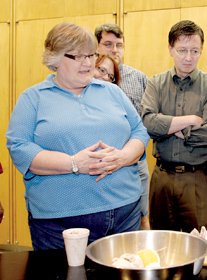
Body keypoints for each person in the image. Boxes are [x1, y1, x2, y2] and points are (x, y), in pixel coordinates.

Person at [6, 22, 150, 250]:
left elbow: (139, 131)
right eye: (78, 56)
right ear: (55, 58)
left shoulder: (112, 91)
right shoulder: (33, 98)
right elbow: (19, 148)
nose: (88, 63)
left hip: (125, 214)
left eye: (91, 55)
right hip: (60, 224)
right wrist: (73, 163)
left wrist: (123, 157)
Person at [141, 20, 207, 232]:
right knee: (162, 244)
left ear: (201, 50)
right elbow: (147, 123)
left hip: (199, 179)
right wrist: (190, 120)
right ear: (170, 49)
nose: (189, 57)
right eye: (182, 50)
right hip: (162, 178)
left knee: (200, 245)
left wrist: (168, 127)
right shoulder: (156, 84)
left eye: (195, 51)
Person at [95, 23, 151, 230]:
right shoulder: (88, 77)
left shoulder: (138, 78)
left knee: (141, 215)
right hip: (99, 158)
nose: (114, 50)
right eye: (108, 44)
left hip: (134, 157)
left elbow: (147, 118)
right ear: (96, 46)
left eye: (119, 45)